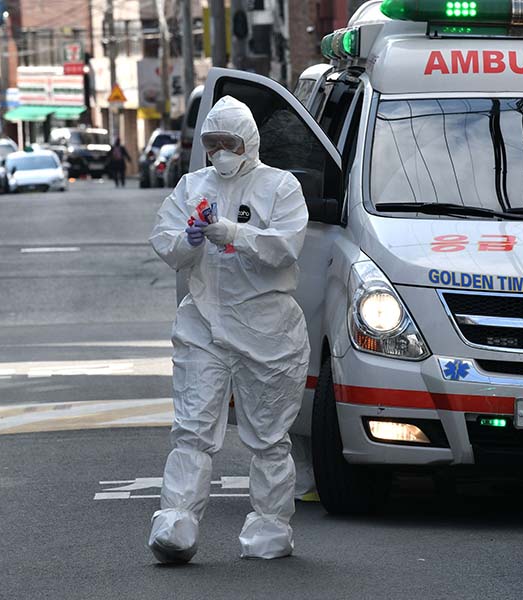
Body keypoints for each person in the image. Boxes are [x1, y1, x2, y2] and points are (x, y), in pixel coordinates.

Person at [148, 96, 310, 563]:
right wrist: (190, 239)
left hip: (267, 330)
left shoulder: (280, 187)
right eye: (212, 142)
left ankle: (270, 526)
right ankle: (176, 522)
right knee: (193, 428)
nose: (220, 151)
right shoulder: (191, 185)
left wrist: (234, 234)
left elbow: (285, 247)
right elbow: (165, 239)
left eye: (229, 142)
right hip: (203, 324)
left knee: (268, 437)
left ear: (249, 142)